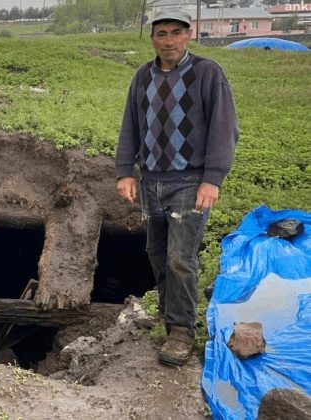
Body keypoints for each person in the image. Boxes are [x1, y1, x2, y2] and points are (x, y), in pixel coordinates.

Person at [115, 9, 239, 366]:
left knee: (180, 258)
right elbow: (130, 127)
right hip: (152, 181)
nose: (167, 40)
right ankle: (168, 313)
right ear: (152, 38)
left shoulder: (207, 74)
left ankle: (182, 331)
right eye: (161, 34)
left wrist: (212, 179)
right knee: (156, 252)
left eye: (175, 33)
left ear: (188, 35)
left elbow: (224, 129)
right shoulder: (143, 76)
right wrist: (126, 171)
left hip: (189, 181)